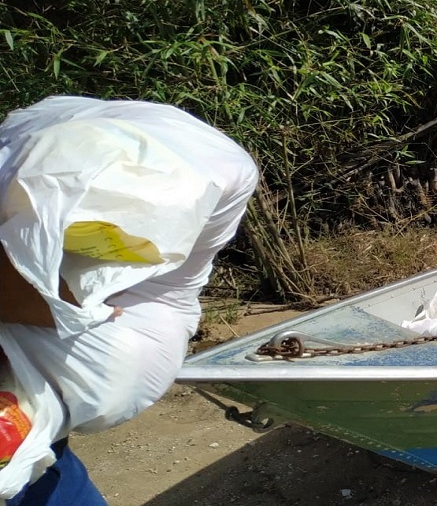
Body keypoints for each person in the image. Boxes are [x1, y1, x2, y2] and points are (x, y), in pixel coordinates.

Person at [0, 96, 258, 504]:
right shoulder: (208, 168)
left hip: (45, 429)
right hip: (42, 423)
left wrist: (79, 307)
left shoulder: (184, 178)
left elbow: (41, 298)